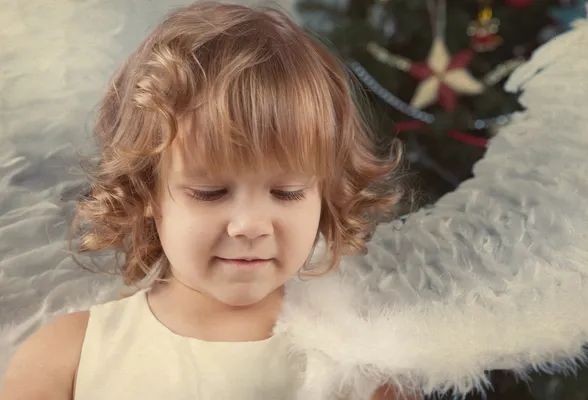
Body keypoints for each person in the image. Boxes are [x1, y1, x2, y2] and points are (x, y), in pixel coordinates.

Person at [0, 1, 418, 399]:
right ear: (145, 188)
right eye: (210, 192)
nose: (251, 224)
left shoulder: (363, 364)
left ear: (325, 193)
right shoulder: (66, 356)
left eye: (286, 193)